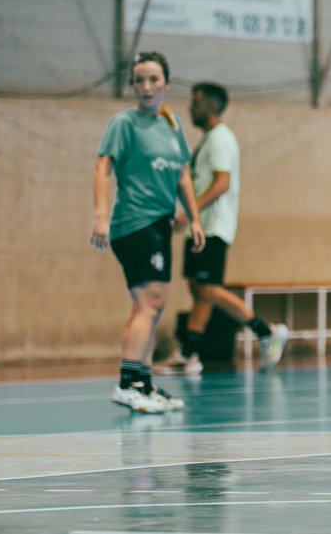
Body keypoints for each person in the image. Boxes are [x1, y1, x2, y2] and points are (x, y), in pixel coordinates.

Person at [91, 52, 205, 414]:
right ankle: (127, 384)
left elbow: (183, 175)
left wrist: (195, 217)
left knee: (154, 307)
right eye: (139, 80)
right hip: (134, 224)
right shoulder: (124, 123)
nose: (146, 87)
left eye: (153, 79)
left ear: (167, 84)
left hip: (160, 224)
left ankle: (143, 382)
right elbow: (102, 168)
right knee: (147, 304)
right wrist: (100, 215)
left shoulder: (172, 126)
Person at [155, 82, 289, 377]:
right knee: (199, 290)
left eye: (197, 102)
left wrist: (190, 212)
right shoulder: (208, 140)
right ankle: (189, 354)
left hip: (213, 227)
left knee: (208, 288)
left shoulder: (221, 139)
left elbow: (221, 183)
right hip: (200, 227)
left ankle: (266, 331)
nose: (191, 107)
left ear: (212, 106)